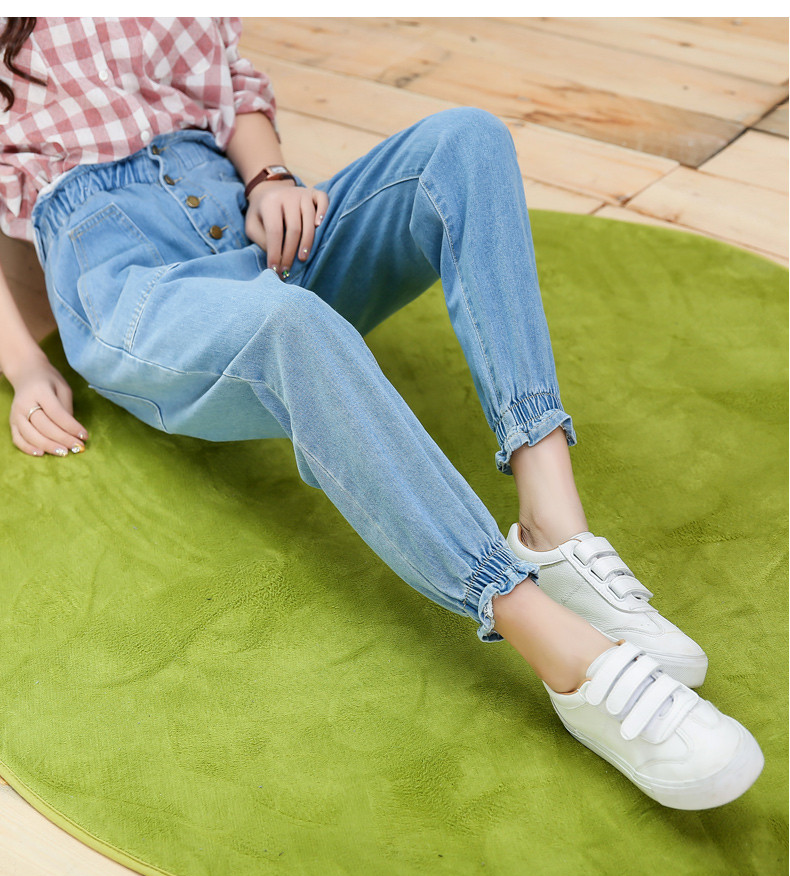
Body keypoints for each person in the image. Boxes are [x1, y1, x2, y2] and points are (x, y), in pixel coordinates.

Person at [0, 16, 764, 811]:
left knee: (465, 140)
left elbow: (231, 86)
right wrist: (24, 365)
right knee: (289, 324)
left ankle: (555, 528)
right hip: (128, 277)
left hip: (247, 219)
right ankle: (565, 655)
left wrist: (271, 181)